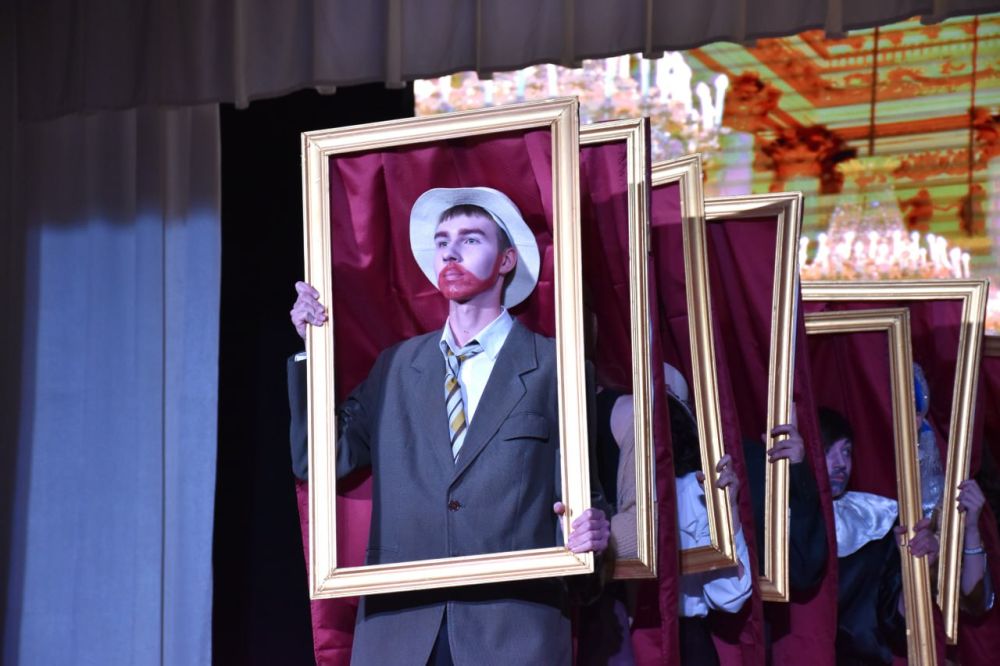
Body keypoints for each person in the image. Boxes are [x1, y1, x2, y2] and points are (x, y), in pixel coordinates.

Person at [288, 187, 610, 666]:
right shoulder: (395, 366)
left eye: (470, 239)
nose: (450, 252)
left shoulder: (555, 368)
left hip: (512, 634)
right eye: (442, 241)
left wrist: (594, 534)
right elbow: (319, 459)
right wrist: (310, 350)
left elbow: (587, 499)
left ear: (505, 261)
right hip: (399, 633)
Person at [818, 407, 939, 665]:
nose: (841, 463)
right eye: (828, 451)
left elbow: (897, 628)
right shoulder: (781, 522)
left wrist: (915, 568)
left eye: (846, 451)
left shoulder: (878, 519)